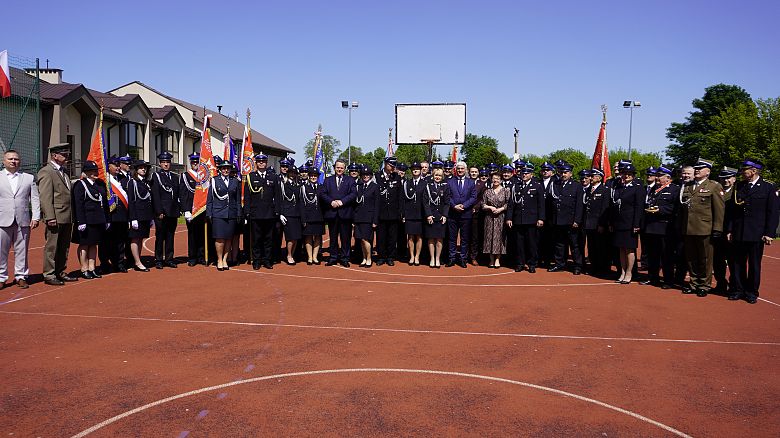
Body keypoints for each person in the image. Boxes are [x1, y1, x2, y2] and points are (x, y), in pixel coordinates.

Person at [726, 159, 779, 304]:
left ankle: (751, 292)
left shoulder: (768, 187)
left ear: (754, 171)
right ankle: (737, 289)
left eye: (745, 170)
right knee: (737, 263)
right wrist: (730, 229)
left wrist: (769, 233)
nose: (742, 172)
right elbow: (733, 211)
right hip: (739, 231)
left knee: (754, 264)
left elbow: (772, 212)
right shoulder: (739, 186)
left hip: (757, 232)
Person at [679, 159, 725, 297]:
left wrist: (717, 229)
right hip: (688, 228)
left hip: (705, 228)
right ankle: (694, 283)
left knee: (705, 259)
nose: (697, 170)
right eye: (696, 168)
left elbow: (719, 209)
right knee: (691, 258)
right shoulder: (688, 186)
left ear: (708, 172)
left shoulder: (714, 186)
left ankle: (704, 285)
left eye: (701, 168)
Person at [37, 143, 77, 285]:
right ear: (55, 156)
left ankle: (60, 271)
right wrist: (50, 217)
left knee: (64, 246)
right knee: (52, 246)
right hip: (55, 216)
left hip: (67, 216)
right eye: (64, 154)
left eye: (67, 154)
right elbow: (46, 197)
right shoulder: (46, 172)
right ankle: (49, 274)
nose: (67, 156)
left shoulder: (64, 172)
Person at [0, 150, 40, 289]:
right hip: (2, 219)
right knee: (1, 251)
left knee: (22, 249)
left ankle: (21, 276)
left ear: (20, 161)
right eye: (10, 159)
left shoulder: (28, 178)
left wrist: (35, 216)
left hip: (22, 219)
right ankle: (1, 277)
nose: (13, 161)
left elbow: (34, 198)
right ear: (4, 161)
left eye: (16, 159)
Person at [640, 166, 679, 289]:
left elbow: (675, 207)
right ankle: (653, 277)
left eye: (659, 176)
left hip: (665, 227)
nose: (656, 178)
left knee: (666, 255)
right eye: (656, 175)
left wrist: (661, 209)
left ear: (668, 178)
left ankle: (668, 280)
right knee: (652, 255)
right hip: (651, 226)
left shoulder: (674, 189)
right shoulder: (653, 190)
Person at [72, 161, 110, 279]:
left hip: (98, 219)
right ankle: (84, 268)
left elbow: (104, 202)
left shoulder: (99, 184)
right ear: (86, 172)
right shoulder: (80, 184)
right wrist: (80, 221)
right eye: (91, 171)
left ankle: (92, 267)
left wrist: (107, 219)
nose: (94, 173)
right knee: (84, 245)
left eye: (95, 171)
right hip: (87, 219)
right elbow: (78, 204)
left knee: (94, 244)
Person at [609, 164, 645, 284]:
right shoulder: (619, 187)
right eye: (624, 174)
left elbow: (639, 207)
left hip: (630, 223)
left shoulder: (637, 188)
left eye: (629, 174)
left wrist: (636, 224)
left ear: (633, 176)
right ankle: (622, 271)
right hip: (619, 222)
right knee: (621, 249)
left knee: (629, 249)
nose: (626, 176)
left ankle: (629, 272)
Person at [506, 164, 545, 273]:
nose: (524, 175)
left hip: (532, 220)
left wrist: (541, 218)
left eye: (527, 173)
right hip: (518, 219)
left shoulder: (537, 186)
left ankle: (532, 264)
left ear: (531, 175)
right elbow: (511, 204)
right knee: (519, 243)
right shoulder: (516, 186)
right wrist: (509, 218)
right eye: (523, 173)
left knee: (531, 243)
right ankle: (520, 263)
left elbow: (541, 204)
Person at [548, 164, 584, 274]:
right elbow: (551, 203)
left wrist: (577, 220)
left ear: (570, 174)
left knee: (574, 245)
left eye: (565, 172)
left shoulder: (576, 186)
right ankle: (560, 264)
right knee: (559, 244)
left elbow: (579, 205)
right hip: (558, 220)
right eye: (562, 172)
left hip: (570, 221)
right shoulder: (555, 184)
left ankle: (577, 266)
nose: (563, 175)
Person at [244, 153, 278, 270]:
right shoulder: (251, 177)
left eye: (263, 161)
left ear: (266, 163)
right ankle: (257, 260)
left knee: (268, 239)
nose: (261, 163)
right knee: (256, 239)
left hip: (269, 213)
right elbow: (247, 196)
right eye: (259, 161)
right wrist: (247, 212)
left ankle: (267, 260)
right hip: (256, 213)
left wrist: (277, 211)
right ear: (256, 163)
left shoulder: (273, 177)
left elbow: (277, 196)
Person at [207, 158, 242, 271]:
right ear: (220, 169)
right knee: (219, 239)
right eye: (224, 168)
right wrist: (209, 213)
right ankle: (219, 259)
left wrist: (238, 213)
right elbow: (210, 199)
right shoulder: (214, 180)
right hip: (218, 213)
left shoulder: (235, 181)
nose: (226, 170)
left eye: (228, 168)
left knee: (228, 238)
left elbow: (237, 200)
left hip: (231, 213)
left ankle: (225, 259)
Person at [321, 159, 357, 267]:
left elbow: (353, 194)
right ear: (334, 168)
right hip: (332, 213)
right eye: (337, 167)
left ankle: (345, 258)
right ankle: (333, 257)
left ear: (345, 169)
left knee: (345, 238)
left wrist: (341, 202)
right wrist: (331, 201)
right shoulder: (328, 180)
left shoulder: (350, 180)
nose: (339, 169)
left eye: (341, 167)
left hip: (345, 213)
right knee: (333, 238)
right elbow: (323, 193)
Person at [99, 156, 129, 273]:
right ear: (108, 166)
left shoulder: (122, 178)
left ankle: (119, 263)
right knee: (106, 242)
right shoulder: (104, 180)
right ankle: (104, 264)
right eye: (115, 165)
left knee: (120, 241)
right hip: (109, 215)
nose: (117, 167)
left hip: (121, 215)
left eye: (118, 165)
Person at [150, 151, 179, 269]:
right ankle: (158, 259)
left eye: (167, 162)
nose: (166, 164)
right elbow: (155, 195)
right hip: (162, 212)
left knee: (170, 236)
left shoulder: (175, 177)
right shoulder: (156, 176)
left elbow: (176, 195)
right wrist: (159, 211)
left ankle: (169, 258)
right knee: (160, 236)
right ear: (160, 164)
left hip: (172, 211)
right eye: (163, 162)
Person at [446, 161, 477, 267]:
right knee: (452, 238)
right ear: (456, 169)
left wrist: (464, 206)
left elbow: (473, 197)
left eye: (462, 168)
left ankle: (463, 258)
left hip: (466, 214)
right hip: (452, 213)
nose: (460, 170)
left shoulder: (471, 182)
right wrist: (454, 205)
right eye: (458, 168)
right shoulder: (450, 182)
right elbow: (447, 196)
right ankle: (452, 258)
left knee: (465, 238)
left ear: (466, 170)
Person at [712, 166, 738, 294]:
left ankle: (734, 285)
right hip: (717, 230)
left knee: (733, 260)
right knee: (717, 260)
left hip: (730, 231)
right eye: (723, 178)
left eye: (728, 178)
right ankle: (721, 283)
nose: (725, 180)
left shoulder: (737, 192)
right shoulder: (716, 190)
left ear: (734, 179)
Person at [126, 160, 154, 272]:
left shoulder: (146, 182)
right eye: (141, 167)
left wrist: (151, 217)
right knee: (135, 238)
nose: (144, 169)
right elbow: (131, 201)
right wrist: (133, 218)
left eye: (145, 168)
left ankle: (138, 260)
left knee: (140, 238)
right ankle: (137, 262)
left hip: (145, 215)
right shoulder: (132, 182)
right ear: (136, 169)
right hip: (137, 215)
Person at [180, 153, 206, 266]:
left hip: (202, 209)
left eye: (197, 162)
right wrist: (186, 210)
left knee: (202, 234)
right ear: (191, 163)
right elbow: (183, 194)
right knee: (192, 234)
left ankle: (201, 256)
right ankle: (192, 257)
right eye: (193, 162)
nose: (195, 164)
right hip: (191, 210)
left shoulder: (204, 176)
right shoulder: (185, 176)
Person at [583, 168, 610, 277]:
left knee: (600, 247)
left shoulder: (604, 190)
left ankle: (602, 268)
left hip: (598, 223)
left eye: (592, 176)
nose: (590, 178)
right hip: (589, 223)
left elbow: (604, 208)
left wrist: (602, 224)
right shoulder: (589, 189)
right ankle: (593, 267)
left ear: (599, 178)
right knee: (591, 246)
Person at [375, 157, 402, 266]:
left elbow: (400, 196)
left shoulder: (397, 177)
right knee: (381, 237)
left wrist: (401, 212)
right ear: (385, 164)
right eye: (391, 165)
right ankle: (381, 257)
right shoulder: (377, 176)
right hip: (381, 212)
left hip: (393, 213)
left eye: (394, 166)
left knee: (392, 237)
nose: (393, 168)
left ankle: (390, 257)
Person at [423, 168, 450, 268]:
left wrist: (445, 215)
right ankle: (432, 258)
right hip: (431, 216)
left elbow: (447, 203)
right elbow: (425, 202)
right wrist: (428, 214)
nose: (437, 177)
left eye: (439, 175)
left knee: (439, 239)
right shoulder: (428, 186)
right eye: (436, 175)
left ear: (442, 177)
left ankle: (438, 258)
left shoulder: (445, 187)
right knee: (430, 239)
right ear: (432, 176)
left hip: (441, 216)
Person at [482, 173, 510, 268]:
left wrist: (501, 209)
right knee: (489, 238)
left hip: (501, 217)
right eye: (494, 178)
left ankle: (498, 259)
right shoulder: (487, 191)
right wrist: (490, 207)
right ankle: (491, 260)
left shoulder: (506, 191)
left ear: (501, 180)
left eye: (497, 179)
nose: (495, 180)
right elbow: (483, 204)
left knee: (499, 239)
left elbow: (508, 204)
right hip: (489, 218)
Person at [353, 166, 379, 267]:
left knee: (366, 239)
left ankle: (369, 258)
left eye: (367, 174)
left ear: (371, 176)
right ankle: (364, 258)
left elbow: (377, 205)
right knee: (360, 239)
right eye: (364, 175)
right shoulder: (358, 186)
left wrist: (375, 220)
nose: (365, 176)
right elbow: (355, 203)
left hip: (369, 217)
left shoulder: (375, 187)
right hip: (358, 217)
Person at [276, 165, 302, 265]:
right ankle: (289, 255)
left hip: (297, 213)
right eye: (291, 173)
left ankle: (292, 254)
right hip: (288, 214)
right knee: (290, 237)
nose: (292, 175)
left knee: (296, 237)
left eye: (294, 173)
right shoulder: (283, 184)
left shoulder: (298, 185)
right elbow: (280, 200)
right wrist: (281, 213)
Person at [402, 162, 425, 265]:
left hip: (421, 214)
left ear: (420, 170)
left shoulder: (425, 183)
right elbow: (403, 200)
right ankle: (411, 256)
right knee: (410, 236)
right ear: (411, 171)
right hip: (409, 214)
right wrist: (403, 214)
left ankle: (417, 256)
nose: (415, 170)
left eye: (417, 169)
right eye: (413, 169)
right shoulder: (407, 183)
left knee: (419, 236)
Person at [300, 167, 324, 265]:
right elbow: (301, 204)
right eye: (312, 175)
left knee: (318, 237)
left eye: (315, 176)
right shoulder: (304, 187)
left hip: (319, 216)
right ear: (309, 176)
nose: (313, 177)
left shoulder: (322, 187)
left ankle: (315, 257)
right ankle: (309, 257)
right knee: (308, 237)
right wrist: (303, 218)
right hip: (308, 217)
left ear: (318, 177)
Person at [468, 168, 489, 265]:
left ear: (478, 173)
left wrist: (475, 208)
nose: (473, 173)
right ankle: (464, 255)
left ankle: (474, 256)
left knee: (475, 236)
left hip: (476, 213)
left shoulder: (482, 184)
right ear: (469, 172)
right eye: (472, 172)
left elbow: (482, 198)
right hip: (464, 211)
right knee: (465, 235)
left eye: (475, 172)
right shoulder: (465, 181)